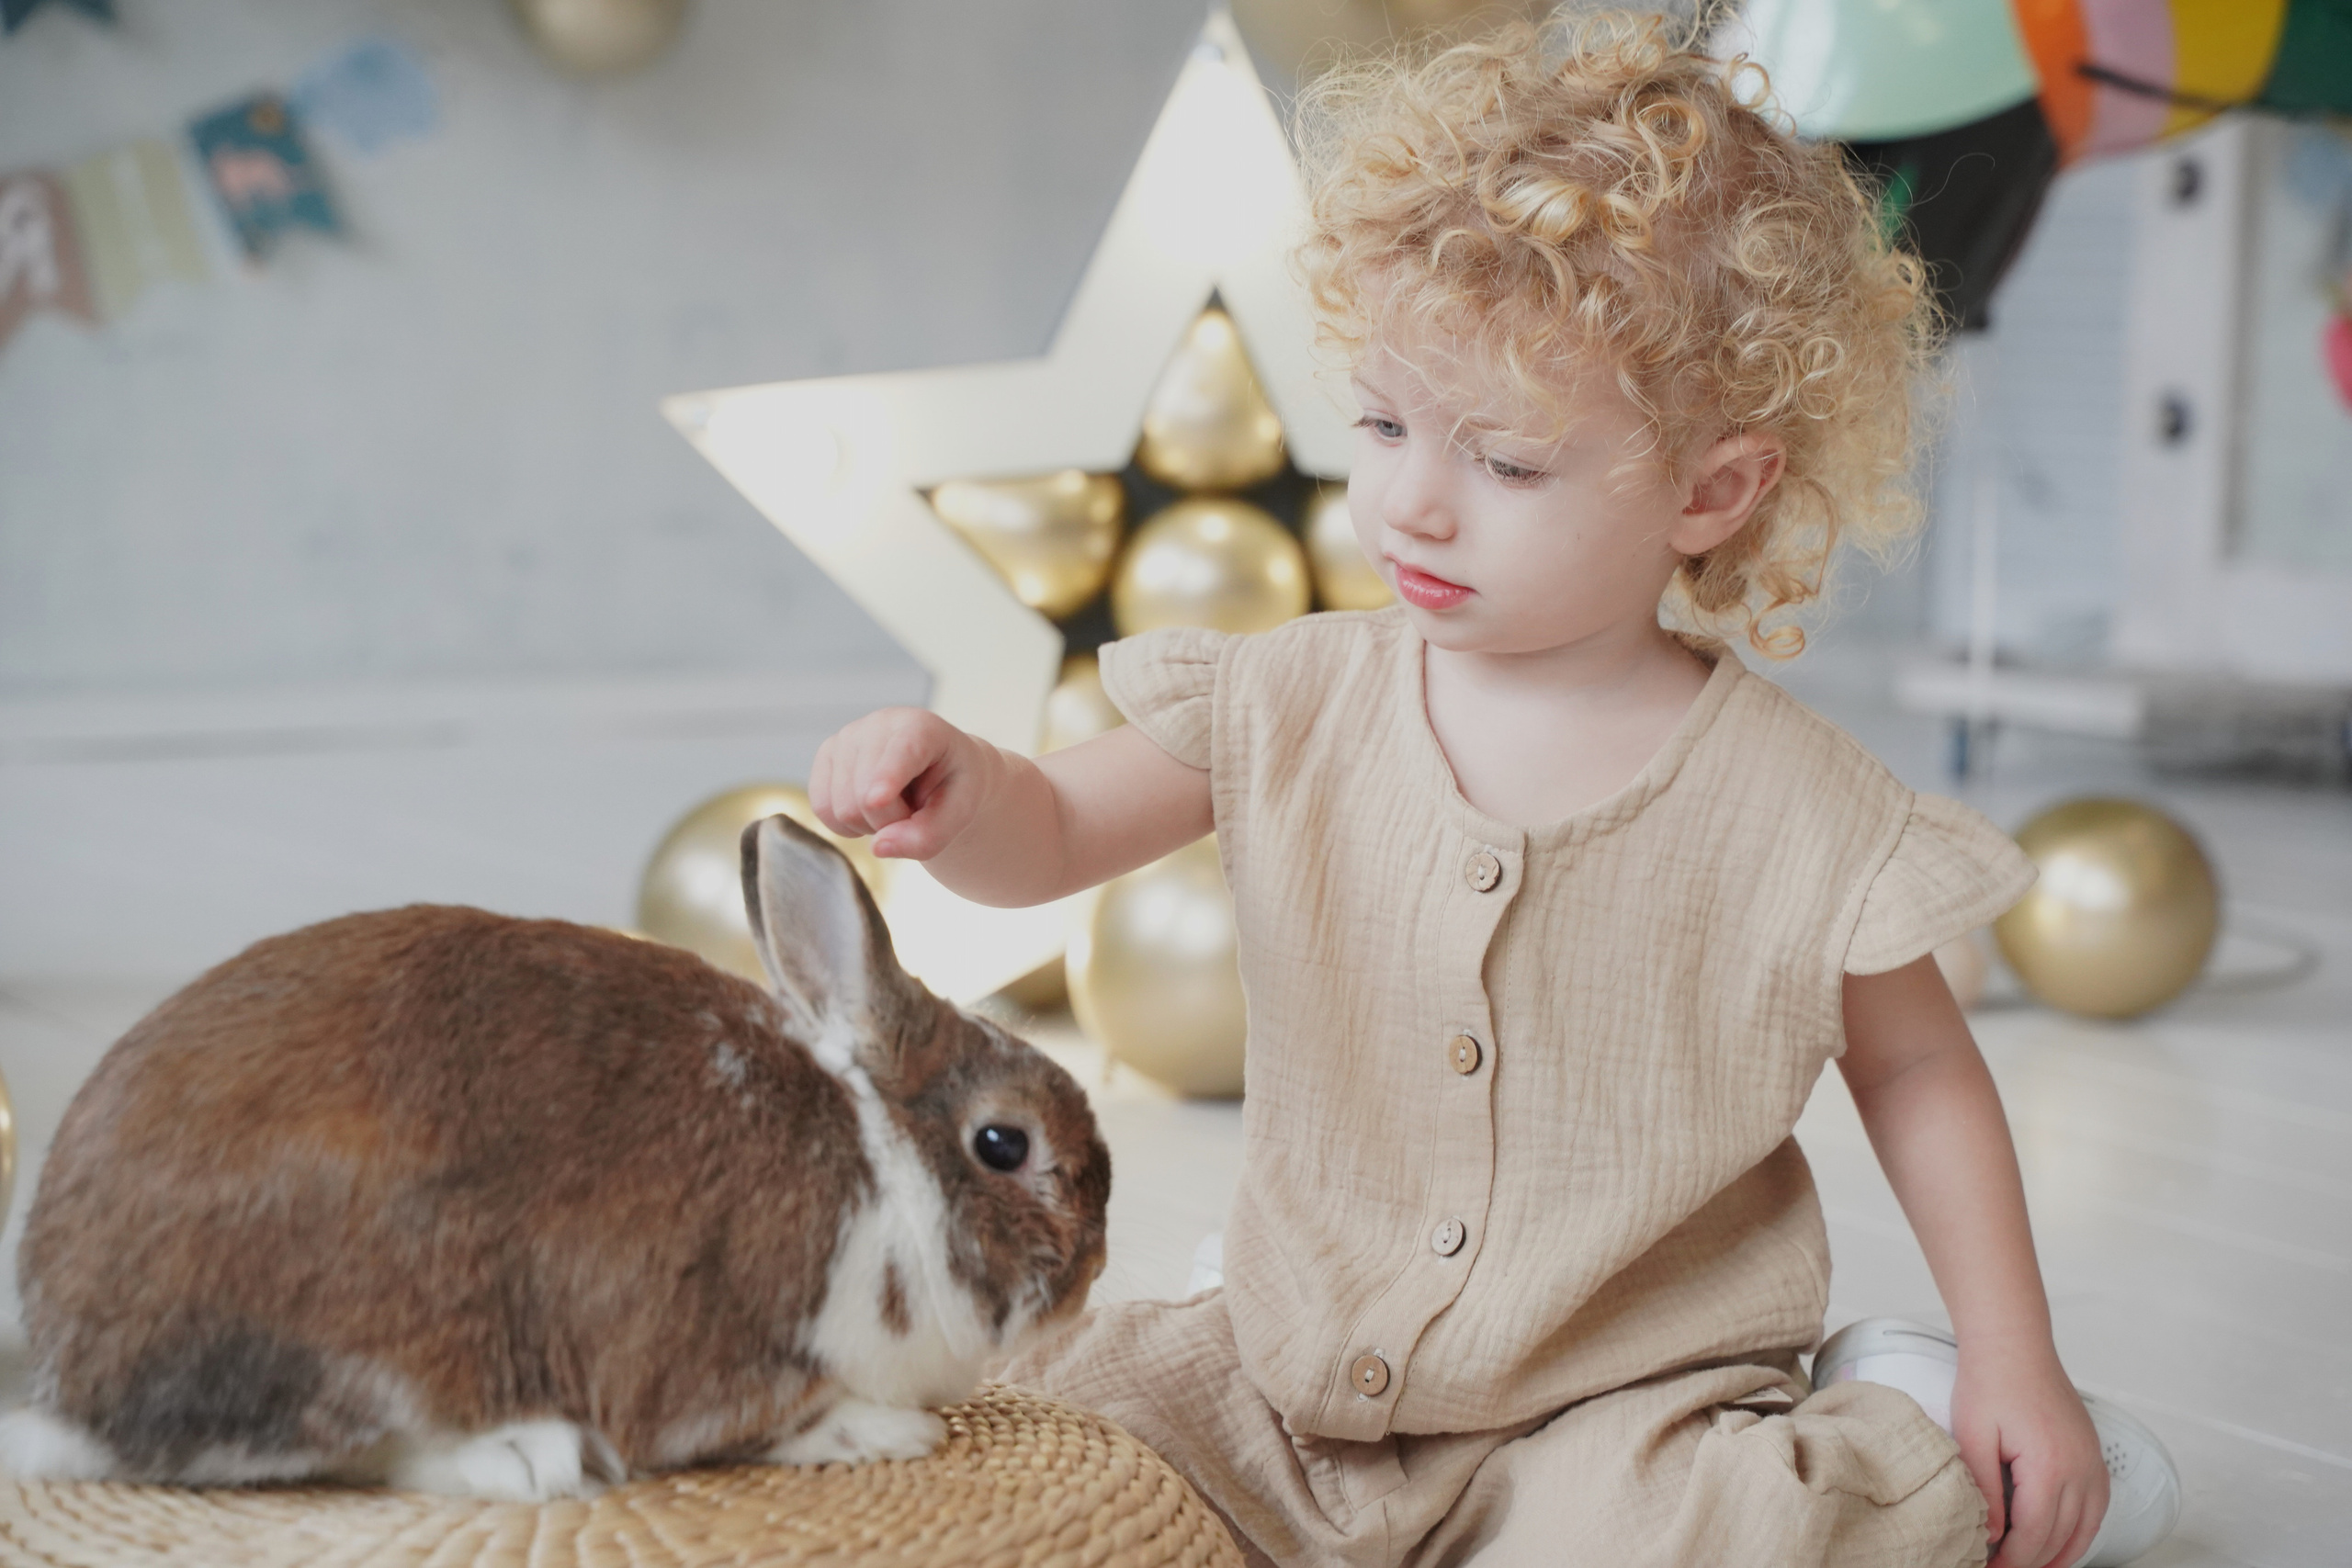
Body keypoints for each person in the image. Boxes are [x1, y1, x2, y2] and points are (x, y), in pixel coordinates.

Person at [809, 13, 2173, 1566]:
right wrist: (962, 791)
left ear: (1712, 491)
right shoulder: (1293, 695)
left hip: (1611, 1415)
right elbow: (1049, 838)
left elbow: (1922, 1075)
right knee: (1033, 1461)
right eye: (1386, 424)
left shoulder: (1798, 809)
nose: (1413, 500)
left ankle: (1903, 1435)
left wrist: (2017, 1359)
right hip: (1282, 1372)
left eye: (1509, 463)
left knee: (1724, 1536)